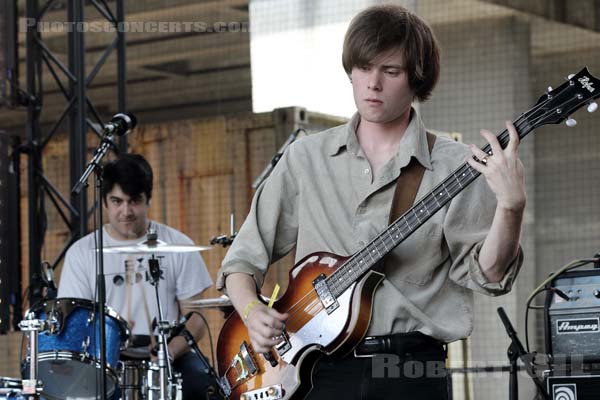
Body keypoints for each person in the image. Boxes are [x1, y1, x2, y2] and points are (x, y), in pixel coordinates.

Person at [217, 4, 526, 400]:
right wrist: (251, 311)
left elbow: (490, 274)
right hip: (317, 371)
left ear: (417, 78)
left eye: (390, 71)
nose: (372, 84)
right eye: (363, 68)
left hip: (411, 369)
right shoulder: (305, 159)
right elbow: (242, 261)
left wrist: (511, 207)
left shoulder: (457, 166)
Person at [58, 153, 221, 400]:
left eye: (134, 201)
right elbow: (76, 323)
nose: (125, 211)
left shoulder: (177, 244)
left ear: (148, 200)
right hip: (106, 358)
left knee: (203, 383)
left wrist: (170, 351)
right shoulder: (81, 253)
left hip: (168, 353)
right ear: (104, 202)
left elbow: (196, 318)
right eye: (116, 201)